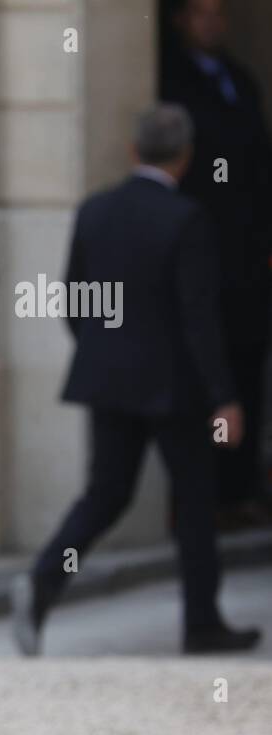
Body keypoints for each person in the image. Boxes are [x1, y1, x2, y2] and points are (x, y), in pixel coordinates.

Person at [11, 103, 261, 657]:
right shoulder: (187, 218)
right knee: (195, 501)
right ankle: (201, 623)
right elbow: (199, 317)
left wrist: (104, 352)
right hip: (175, 388)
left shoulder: (95, 210)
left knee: (106, 494)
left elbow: (74, 299)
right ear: (187, 156)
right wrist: (224, 396)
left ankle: (43, 581)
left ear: (133, 150)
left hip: (108, 379)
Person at [161, 0, 272, 528]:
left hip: (247, 254)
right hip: (202, 246)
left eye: (219, 12)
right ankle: (199, 495)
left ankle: (238, 487)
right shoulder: (170, 76)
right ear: (180, 18)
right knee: (206, 375)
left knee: (247, 367)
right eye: (201, 12)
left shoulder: (240, 79)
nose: (213, 22)